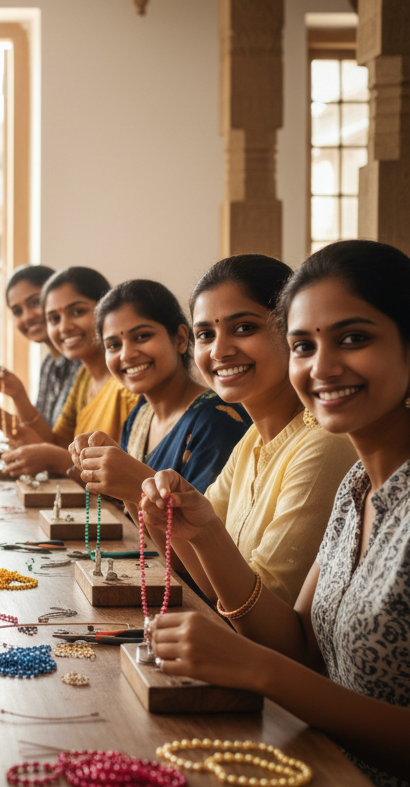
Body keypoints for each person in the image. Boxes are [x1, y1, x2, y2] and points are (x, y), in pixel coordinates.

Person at [144, 239, 410, 787]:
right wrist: (203, 534)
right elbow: (296, 644)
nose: (322, 366)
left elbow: (281, 666)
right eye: (303, 346)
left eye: (352, 338)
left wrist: (256, 669)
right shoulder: (358, 484)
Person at [142, 255, 357, 607]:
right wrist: (163, 515)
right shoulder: (253, 439)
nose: (220, 351)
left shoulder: (324, 444)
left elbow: (266, 606)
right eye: (205, 335)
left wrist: (137, 479)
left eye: (243, 328)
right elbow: (210, 582)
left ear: (293, 331)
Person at [67, 279, 251, 522]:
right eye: (113, 345)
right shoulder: (140, 414)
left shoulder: (217, 420)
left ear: (181, 339)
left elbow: (200, 540)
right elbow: (136, 519)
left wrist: (135, 482)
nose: (127, 355)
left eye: (142, 336)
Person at [1, 267, 137, 478]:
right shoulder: (84, 376)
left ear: (106, 311)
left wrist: (54, 458)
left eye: (77, 312)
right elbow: (57, 443)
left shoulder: (129, 386)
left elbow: (126, 479)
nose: (64, 327)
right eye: (54, 319)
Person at [0, 264, 80, 440]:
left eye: (34, 303)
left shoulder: (82, 363)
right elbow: (43, 437)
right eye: (17, 311)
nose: (27, 317)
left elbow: (59, 448)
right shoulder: (49, 364)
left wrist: (4, 421)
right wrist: (17, 395)